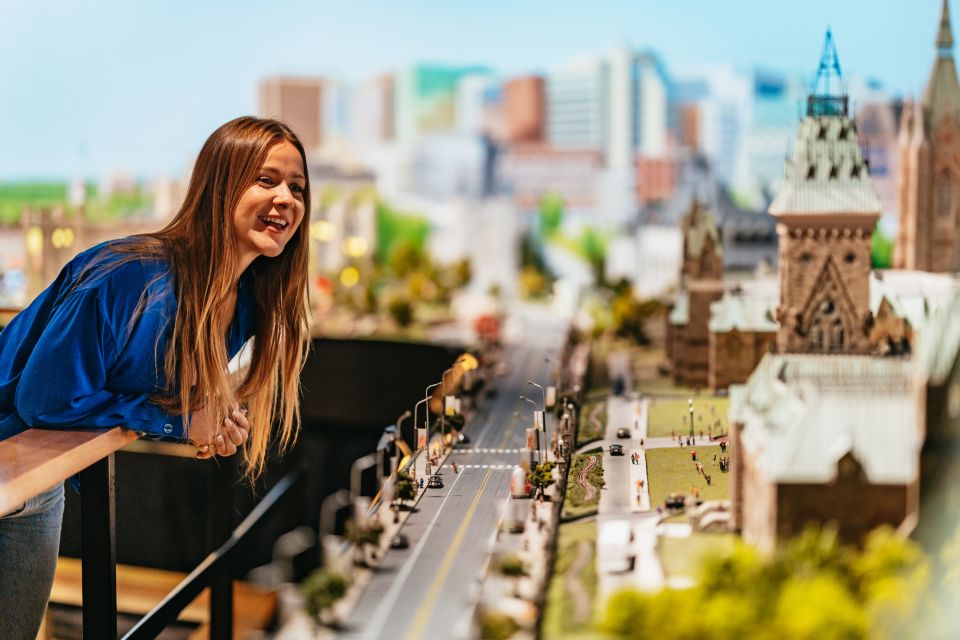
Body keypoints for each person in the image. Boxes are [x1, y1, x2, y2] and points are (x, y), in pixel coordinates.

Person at [0, 117, 311, 640]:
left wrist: (214, 416)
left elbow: (150, 388)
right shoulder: (130, 274)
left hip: (38, 482)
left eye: (297, 188)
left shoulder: (245, 304)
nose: (286, 198)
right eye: (266, 179)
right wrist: (181, 421)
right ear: (220, 185)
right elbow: (45, 400)